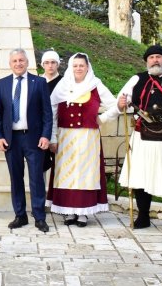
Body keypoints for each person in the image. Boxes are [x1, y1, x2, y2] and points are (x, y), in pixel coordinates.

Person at [105, 45, 162, 232]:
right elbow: (121, 103)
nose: (155, 60)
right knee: (141, 177)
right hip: (143, 136)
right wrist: (115, 109)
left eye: (159, 57)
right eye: (151, 57)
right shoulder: (137, 79)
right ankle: (143, 216)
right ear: (147, 61)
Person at [47, 53, 117, 227]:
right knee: (66, 174)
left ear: (87, 67)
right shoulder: (63, 86)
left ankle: (84, 213)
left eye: (81, 65)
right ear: (71, 67)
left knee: (85, 174)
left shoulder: (96, 85)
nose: (78, 68)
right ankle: (68, 211)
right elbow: (52, 112)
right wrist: (52, 137)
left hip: (88, 138)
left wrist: (103, 118)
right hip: (65, 137)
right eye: (75, 65)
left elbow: (115, 105)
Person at [0, 48, 53, 232]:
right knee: (16, 178)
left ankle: (39, 217)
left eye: (21, 60)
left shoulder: (39, 82)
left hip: (33, 138)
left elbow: (47, 113)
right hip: (11, 139)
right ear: (10, 64)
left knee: (36, 178)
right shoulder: (2, 84)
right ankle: (20, 215)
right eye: (14, 61)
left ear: (27, 63)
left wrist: (46, 135)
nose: (18, 64)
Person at [41, 50, 63, 175]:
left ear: (58, 64)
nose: (50, 65)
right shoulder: (37, 82)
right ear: (42, 64)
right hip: (42, 130)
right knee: (41, 165)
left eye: (53, 62)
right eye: (47, 62)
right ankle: (42, 194)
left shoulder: (64, 82)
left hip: (60, 129)